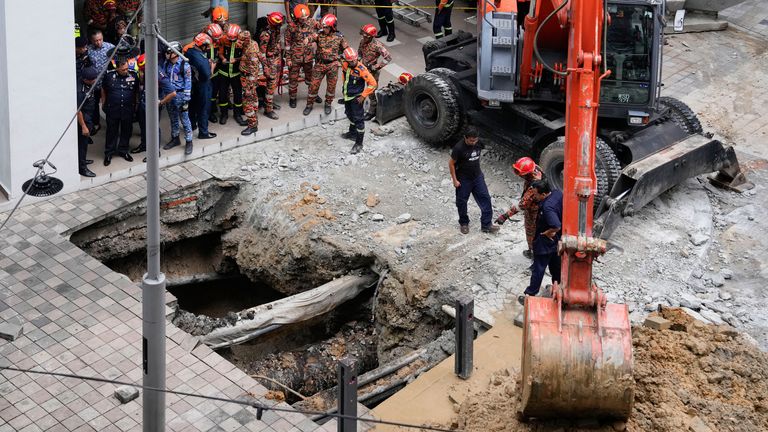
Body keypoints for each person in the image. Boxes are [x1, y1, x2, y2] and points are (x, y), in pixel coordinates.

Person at [519, 180, 562, 305]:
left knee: (538, 268)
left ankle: (530, 294)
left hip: (545, 241)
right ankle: (557, 288)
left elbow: (556, 225)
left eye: (536, 194)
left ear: (543, 194)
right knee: (556, 266)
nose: (534, 197)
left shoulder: (547, 207)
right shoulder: (557, 193)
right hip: (558, 240)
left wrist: (548, 232)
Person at [448, 127, 499, 234]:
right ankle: (464, 223)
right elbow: (451, 163)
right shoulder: (459, 148)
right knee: (461, 202)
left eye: (475, 140)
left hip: (477, 176)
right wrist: (455, 180)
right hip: (463, 179)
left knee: (485, 198)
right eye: (471, 140)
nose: (473, 142)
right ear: (465, 138)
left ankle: (486, 225)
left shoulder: (478, 143)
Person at [495, 156, 544, 258]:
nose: (520, 176)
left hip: (534, 211)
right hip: (540, 206)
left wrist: (505, 216)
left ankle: (534, 253)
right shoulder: (537, 169)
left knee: (532, 232)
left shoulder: (533, 187)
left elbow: (522, 204)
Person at [133, 54, 177, 159]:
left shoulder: (158, 73)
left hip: (154, 106)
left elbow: (172, 93)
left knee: (153, 129)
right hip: (144, 102)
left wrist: (161, 102)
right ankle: (144, 146)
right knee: (144, 126)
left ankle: (155, 152)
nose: (142, 71)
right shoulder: (146, 70)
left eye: (143, 69)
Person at [304, 14, 349, 116]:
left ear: (332, 27)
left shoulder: (339, 37)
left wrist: (343, 58)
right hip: (319, 65)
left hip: (332, 66)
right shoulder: (319, 34)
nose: (324, 29)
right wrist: (307, 39)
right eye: (323, 27)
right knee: (313, 86)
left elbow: (346, 50)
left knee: (331, 87)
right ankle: (309, 105)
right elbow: (311, 37)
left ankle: (328, 104)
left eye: (326, 27)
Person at [101, 58, 140, 166]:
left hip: (127, 109)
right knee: (111, 132)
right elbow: (103, 90)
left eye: (127, 68)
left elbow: (136, 91)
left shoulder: (133, 75)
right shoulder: (109, 76)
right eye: (123, 69)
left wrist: (135, 105)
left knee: (126, 131)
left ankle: (123, 151)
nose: (126, 71)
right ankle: (109, 153)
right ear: (117, 68)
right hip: (113, 109)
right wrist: (103, 103)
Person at [339, 48, 377, 154]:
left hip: (356, 98)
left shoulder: (362, 69)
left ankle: (359, 143)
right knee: (349, 114)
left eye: (354, 60)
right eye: (350, 61)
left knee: (359, 120)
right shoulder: (345, 64)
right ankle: (352, 133)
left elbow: (373, 84)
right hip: (347, 96)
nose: (353, 62)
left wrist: (363, 96)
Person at [162, 41, 195, 155]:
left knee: (185, 119)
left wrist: (186, 98)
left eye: (169, 52)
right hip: (169, 96)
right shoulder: (166, 64)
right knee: (173, 118)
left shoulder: (184, 65)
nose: (167, 54)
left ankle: (189, 141)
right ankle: (175, 138)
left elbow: (188, 82)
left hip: (181, 96)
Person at [285, 4, 319, 109]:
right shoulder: (291, 27)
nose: (305, 20)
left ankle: (313, 95)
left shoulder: (312, 22)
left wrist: (311, 37)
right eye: (302, 18)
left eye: (306, 17)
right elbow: (287, 44)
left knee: (311, 78)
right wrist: (288, 59)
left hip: (308, 57)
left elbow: (322, 31)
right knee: (293, 79)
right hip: (295, 57)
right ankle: (293, 98)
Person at [187, 33, 218, 140]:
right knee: (204, 108)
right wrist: (212, 66)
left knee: (193, 105)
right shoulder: (201, 60)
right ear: (202, 45)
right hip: (203, 85)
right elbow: (207, 75)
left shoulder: (189, 52)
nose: (208, 48)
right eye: (206, 46)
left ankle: (192, 124)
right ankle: (203, 132)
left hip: (193, 84)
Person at [358, 24, 391, 121]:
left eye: (365, 35)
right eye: (363, 34)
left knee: (371, 92)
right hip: (362, 69)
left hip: (372, 72)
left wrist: (376, 67)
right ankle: (358, 105)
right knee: (358, 87)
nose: (363, 36)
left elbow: (388, 58)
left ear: (371, 36)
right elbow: (359, 52)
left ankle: (372, 111)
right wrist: (358, 62)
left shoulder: (377, 45)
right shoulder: (362, 41)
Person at [217, 24, 247, 126]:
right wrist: (223, 59)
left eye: (233, 39)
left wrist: (237, 59)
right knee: (222, 94)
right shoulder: (223, 39)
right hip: (224, 72)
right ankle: (224, 114)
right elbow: (220, 52)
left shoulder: (243, 41)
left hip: (236, 73)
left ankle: (237, 114)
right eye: (230, 39)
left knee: (238, 95)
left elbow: (246, 55)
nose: (231, 41)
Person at [88, 29, 116, 134]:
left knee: (108, 103)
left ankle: (111, 123)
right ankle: (96, 123)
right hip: (94, 83)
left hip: (106, 82)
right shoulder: (89, 49)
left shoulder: (110, 47)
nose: (98, 42)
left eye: (100, 40)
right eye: (96, 41)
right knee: (94, 105)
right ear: (92, 41)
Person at [259, 12, 285, 120]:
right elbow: (262, 53)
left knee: (274, 85)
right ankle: (268, 110)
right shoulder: (266, 34)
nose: (279, 27)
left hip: (277, 59)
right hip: (270, 62)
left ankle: (269, 103)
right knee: (270, 86)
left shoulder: (276, 28)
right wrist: (266, 68)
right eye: (277, 25)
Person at [237, 30, 264, 136]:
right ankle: (252, 120)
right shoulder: (252, 43)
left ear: (246, 41)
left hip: (249, 79)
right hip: (247, 78)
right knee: (254, 99)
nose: (238, 43)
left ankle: (252, 126)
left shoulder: (251, 51)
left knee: (247, 102)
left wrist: (249, 87)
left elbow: (254, 70)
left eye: (241, 41)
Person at [76, 67, 99, 177]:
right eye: (92, 79)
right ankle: (82, 168)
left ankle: (83, 160)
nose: (94, 80)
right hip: (83, 120)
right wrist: (84, 126)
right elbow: (78, 110)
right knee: (82, 145)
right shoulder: (80, 91)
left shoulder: (89, 84)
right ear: (85, 79)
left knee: (84, 144)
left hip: (89, 116)